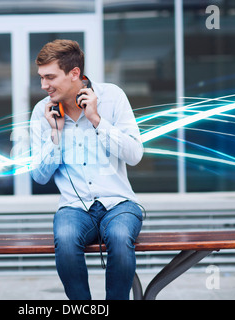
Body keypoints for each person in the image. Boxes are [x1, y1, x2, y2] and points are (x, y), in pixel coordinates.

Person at [29, 39, 144, 300]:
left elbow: (135, 155)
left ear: (74, 74)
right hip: (73, 206)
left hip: (119, 202)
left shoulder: (112, 97)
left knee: (120, 236)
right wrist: (55, 135)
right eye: (41, 77)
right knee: (66, 240)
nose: (43, 86)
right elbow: (39, 175)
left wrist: (96, 119)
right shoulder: (42, 113)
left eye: (50, 77)